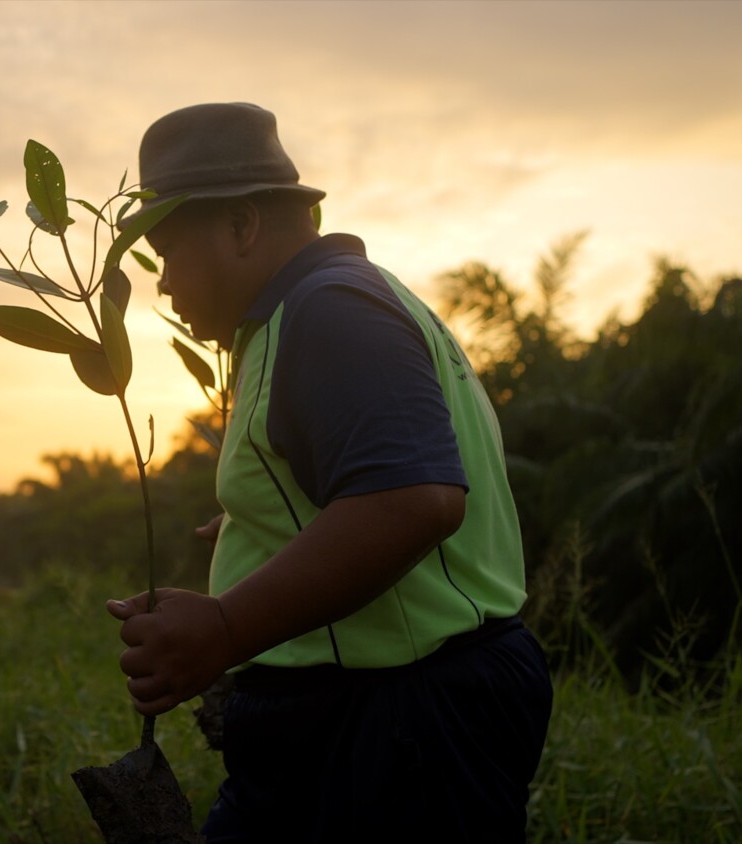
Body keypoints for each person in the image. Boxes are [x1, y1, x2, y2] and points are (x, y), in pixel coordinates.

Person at [105, 102, 553, 842]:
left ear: (242, 226)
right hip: (377, 710)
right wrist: (267, 518)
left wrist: (224, 626)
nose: (161, 283)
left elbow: (414, 500)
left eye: (167, 252)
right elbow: (374, 475)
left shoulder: (331, 312)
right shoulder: (324, 306)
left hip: (400, 720)